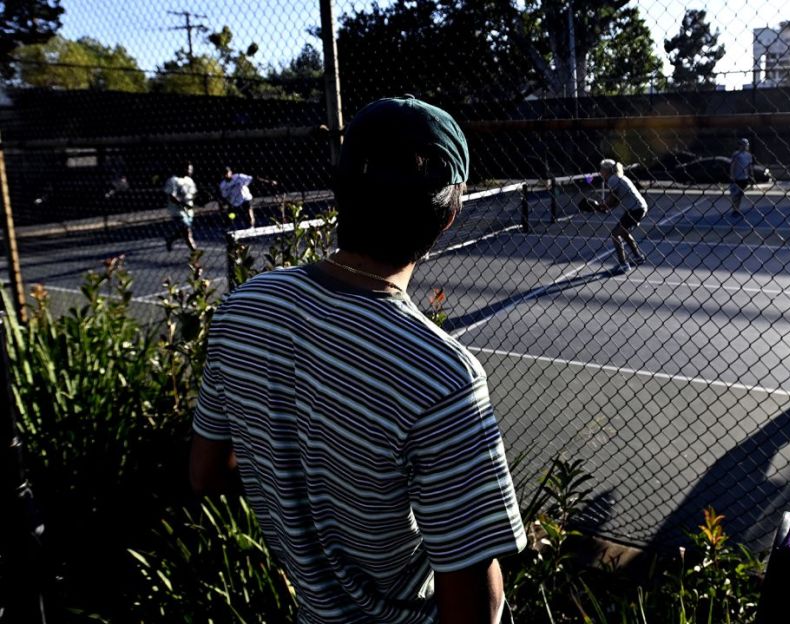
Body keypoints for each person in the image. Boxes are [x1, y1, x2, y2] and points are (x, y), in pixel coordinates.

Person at [190, 96, 527, 624]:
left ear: (340, 189)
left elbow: (207, 473)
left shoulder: (242, 310)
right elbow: (473, 604)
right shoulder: (444, 378)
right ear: (451, 216)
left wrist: (300, 500)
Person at [597, 158, 648, 272]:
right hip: (637, 208)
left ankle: (623, 264)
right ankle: (638, 257)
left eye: (601, 169)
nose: (600, 171)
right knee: (624, 233)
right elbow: (615, 200)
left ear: (607, 170)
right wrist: (605, 206)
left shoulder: (613, 179)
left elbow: (612, 199)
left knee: (615, 234)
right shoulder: (618, 177)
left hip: (635, 209)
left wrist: (602, 206)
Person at [163, 161, 197, 252]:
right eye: (189, 169)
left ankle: (170, 239)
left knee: (183, 231)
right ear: (184, 169)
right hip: (178, 212)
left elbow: (193, 194)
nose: (191, 171)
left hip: (189, 212)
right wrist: (184, 204)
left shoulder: (189, 180)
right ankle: (195, 253)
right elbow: (172, 196)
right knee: (187, 233)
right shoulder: (173, 180)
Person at [729, 138, 753, 215]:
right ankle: (735, 209)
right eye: (744, 145)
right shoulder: (736, 154)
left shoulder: (748, 155)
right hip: (737, 178)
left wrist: (751, 175)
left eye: (746, 145)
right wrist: (732, 176)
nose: (746, 146)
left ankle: (737, 208)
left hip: (744, 178)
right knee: (735, 194)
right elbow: (733, 165)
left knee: (740, 194)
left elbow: (750, 166)